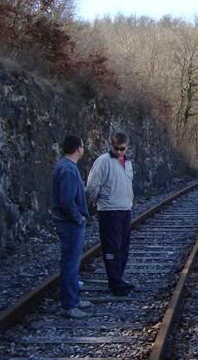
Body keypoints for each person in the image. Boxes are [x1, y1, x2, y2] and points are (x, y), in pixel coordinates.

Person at [86, 131, 135, 296]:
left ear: (127, 147)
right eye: (116, 148)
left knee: (123, 247)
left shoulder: (128, 163)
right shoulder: (103, 161)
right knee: (112, 248)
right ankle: (114, 283)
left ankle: (119, 279)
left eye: (122, 149)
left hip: (125, 208)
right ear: (111, 145)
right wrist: (98, 201)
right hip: (109, 211)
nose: (119, 152)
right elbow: (92, 185)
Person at [51, 135, 90, 318]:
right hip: (69, 223)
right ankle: (69, 304)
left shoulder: (66, 166)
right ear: (78, 149)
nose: (83, 149)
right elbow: (67, 201)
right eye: (83, 146)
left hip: (69, 222)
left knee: (73, 262)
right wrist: (78, 218)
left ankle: (73, 299)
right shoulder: (68, 169)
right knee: (70, 263)